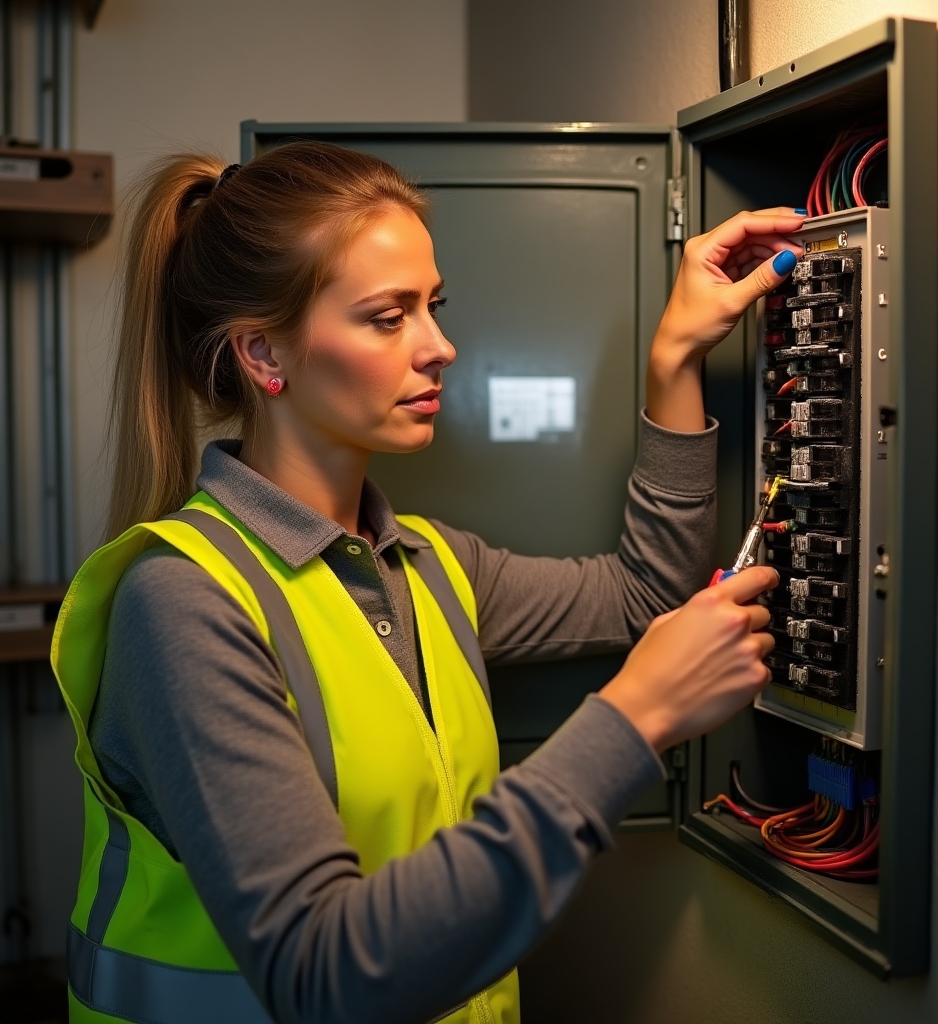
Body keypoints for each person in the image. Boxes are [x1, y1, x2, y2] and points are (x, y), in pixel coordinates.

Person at [52, 142, 804, 1024]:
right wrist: (635, 719)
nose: (440, 347)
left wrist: (675, 358)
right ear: (264, 355)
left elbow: (648, 597)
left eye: (433, 308)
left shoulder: (427, 567)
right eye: (387, 317)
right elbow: (322, 973)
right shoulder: (182, 605)